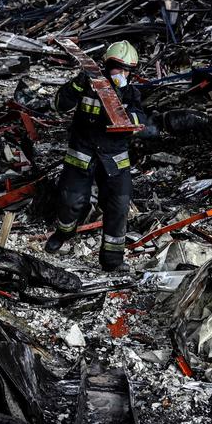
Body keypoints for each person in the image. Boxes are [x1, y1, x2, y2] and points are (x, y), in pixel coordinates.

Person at [45, 40, 144, 272]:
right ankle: (63, 232)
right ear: (107, 65)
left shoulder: (131, 92)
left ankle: (112, 260)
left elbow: (142, 121)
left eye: (127, 70)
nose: (122, 74)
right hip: (82, 155)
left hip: (114, 161)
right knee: (71, 203)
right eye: (118, 67)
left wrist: (128, 118)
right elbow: (59, 104)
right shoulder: (87, 85)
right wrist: (77, 85)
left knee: (118, 207)